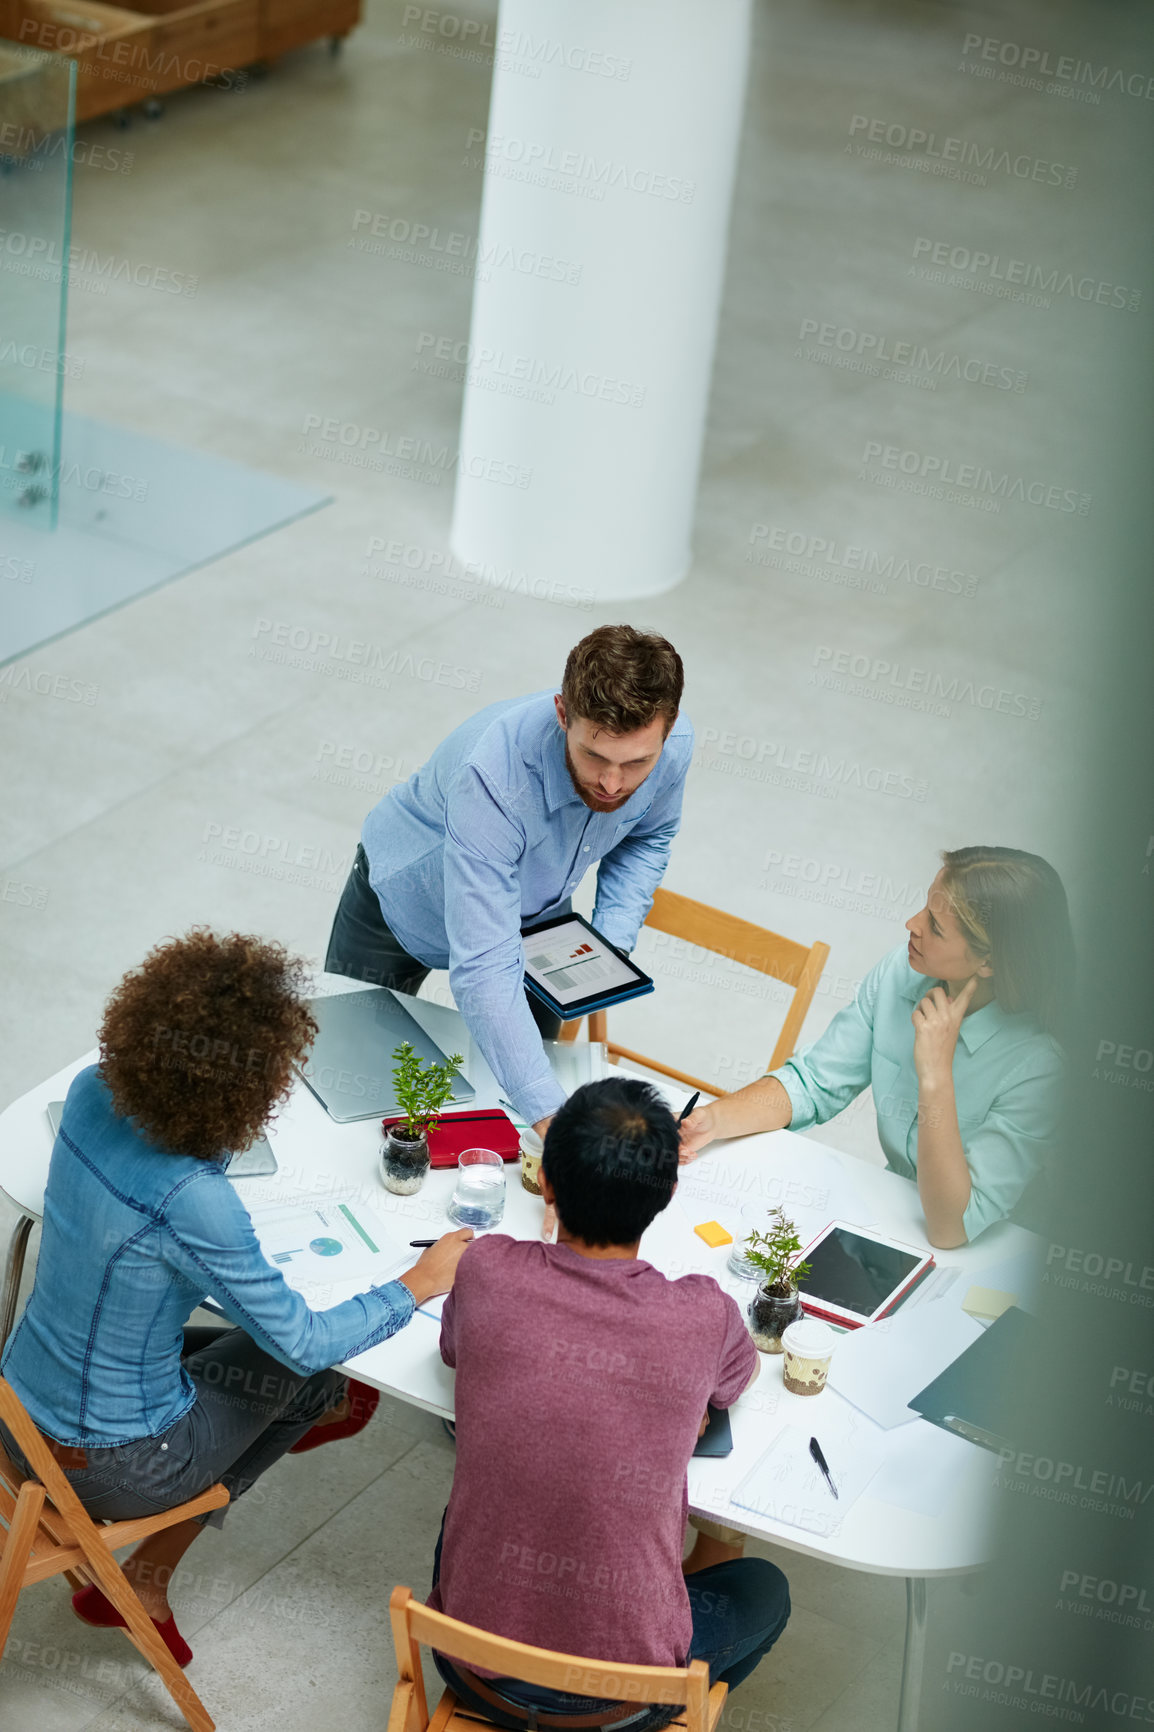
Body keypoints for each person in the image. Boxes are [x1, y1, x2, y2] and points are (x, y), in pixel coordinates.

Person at [0, 930, 471, 1667]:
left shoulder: (94, 1091)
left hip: (17, 1409)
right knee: (313, 1375)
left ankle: (276, 1425)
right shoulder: (196, 1201)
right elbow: (304, 1341)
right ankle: (146, 1583)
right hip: (115, 1464)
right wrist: (418, 1284)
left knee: (271, 1369)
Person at [426, 1076, 790, 1730]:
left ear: (549, 1187)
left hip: (467, 1660)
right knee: (765, 1589)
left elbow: (453, 1349)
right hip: (620, 1701)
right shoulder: (700, 1313)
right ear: (668, 1194)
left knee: (468, 1518)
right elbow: (736, 1378)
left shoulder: (486, 1270)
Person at [325, 625, 693, 1148]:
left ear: (669, 727)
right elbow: (482, 971)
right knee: (348, 1066)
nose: (613, 784)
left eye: (635, 763)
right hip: (402, 901)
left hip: (537, 918)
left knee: (521, 1093)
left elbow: (650, 836)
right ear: (563, 714)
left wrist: (607, 944)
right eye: (594, 757)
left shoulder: (674, 746)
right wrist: (559, 1129)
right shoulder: (493, 776)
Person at [680, 846, 1073, 1249]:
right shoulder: (902, 973)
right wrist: (713, 1120)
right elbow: (813, 1082)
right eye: (924, 908)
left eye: (935, 927)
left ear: (988, 961)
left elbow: (952, 1227)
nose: (912, 924)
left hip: (985, 1258)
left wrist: (935, 1076)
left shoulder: (1039, 1068)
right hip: (893, 1215)